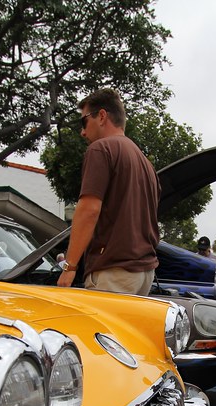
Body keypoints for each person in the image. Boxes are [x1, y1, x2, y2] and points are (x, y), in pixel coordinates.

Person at [57, 88, 159, 295]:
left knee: (99, 329)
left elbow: (89, 209)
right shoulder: (145, 163)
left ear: (102, 116)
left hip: (113, 272)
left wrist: (70, 267)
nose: (82, 132)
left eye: (83, 122)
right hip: (144, 272)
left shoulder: (101, 149)